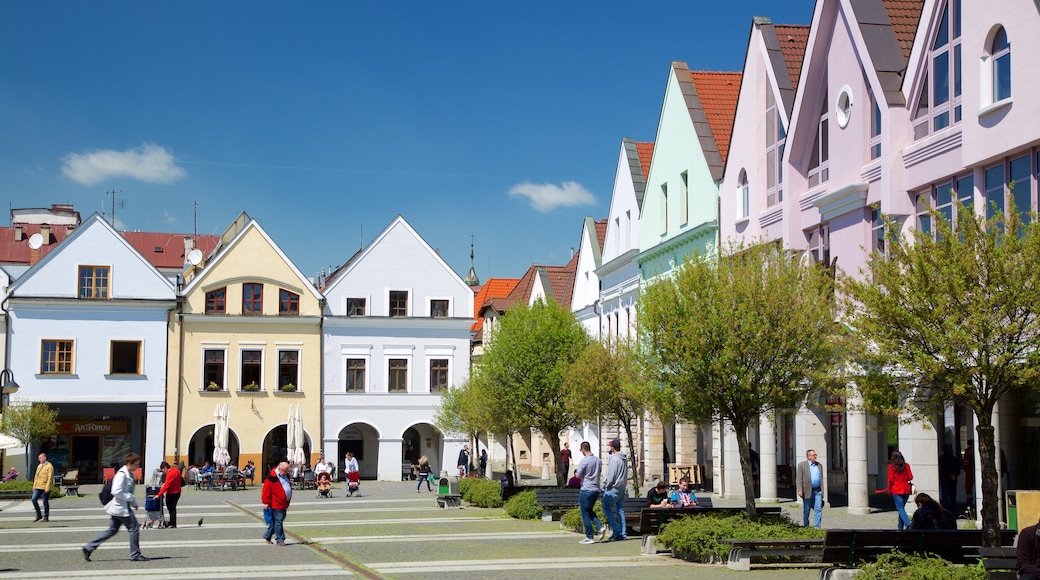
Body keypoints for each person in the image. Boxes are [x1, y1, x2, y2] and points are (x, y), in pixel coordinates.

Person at [82, 452, 149, 562]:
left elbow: (128, 491)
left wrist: (133, 502)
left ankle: (89, 547)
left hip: (121, 507)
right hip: (120, 507)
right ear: (129, 463)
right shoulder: (122, 474)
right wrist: (131, 499)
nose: (137, 467)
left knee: (112, 530)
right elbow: (116, 491)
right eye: (136, 464)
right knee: (134, 528)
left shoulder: (129, 474)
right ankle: (135, 554)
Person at [876, 449, 914, 530]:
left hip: (896, 489)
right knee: (902, 508)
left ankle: (908, 524)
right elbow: (910, 477)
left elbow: (890, 480)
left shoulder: (891, 467)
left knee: (900, 508)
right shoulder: (906, 465)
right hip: (906, 489)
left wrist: (889, 490)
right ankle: (900, 528)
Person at [575, 441, 604, 544]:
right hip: (596, 489)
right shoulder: (598, 460)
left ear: (583, 449)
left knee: (585, 513)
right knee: (589, 510)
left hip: (586, 489)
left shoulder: (584, 461)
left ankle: (589, 536)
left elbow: (578, 475)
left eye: (581, 450)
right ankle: (600, 527)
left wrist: (576, 473)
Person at [601, 439, 628, 541]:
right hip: (622, 488)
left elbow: (611, 475)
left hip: (614, 488)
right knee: (620, 510)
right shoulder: (624, 458)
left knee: (606, 507)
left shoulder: (614, 459)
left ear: (613, 447)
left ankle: (616, 531)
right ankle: (623, 533)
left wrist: (605, 485)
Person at [261, 461, 293, 546]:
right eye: (285, 471)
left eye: (287, 471)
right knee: (279, 521)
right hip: (276, 503)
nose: (286, 473)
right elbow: (266, 490)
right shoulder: (271, 477)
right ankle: (280, 539)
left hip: (284, 503)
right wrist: (266, 502)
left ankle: (267, 535)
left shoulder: (286, 476)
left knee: (276, 521)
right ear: (279, 469)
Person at [796, 449, 824, 528]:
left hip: (818, 490)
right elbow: (799, 479)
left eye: (816, 455)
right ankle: (806, 525)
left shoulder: (819, 465)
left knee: (818, 508)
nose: (815, 456)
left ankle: (817, 527)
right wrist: (800, 489)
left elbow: (821, 479)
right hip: (807, 490)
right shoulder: (802, 465)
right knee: (806, 510)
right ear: (809, 457)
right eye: (814, 455)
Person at [154, 461, 182, 528]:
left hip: (172, 492)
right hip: (177, 491)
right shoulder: (175, 470)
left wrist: (159, 494)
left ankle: (173, 524)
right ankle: (172, 522)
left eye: (163, 470)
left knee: (171, 508)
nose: (164, 472)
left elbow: (166, 485)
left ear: (165, 468)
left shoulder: (170, 474)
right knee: (171, 507)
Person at [31, 452, 53, 523]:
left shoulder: (49, 466)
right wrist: (34, 486)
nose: (39, 459)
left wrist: (47, 487)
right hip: (38, 486)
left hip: (45, 486)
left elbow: (50, 477)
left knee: (45, 502)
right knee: (34, 499)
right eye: (38, 458)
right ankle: (38, 514)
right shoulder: (39, 466)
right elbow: (36, 476)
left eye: (40, 458)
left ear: (44, 458)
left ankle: (46, 517)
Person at [938, 445, 960, 511]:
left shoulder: (941, 459)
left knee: (945, 496)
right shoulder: (953, 458)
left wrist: (949, 475)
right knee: (952, 495)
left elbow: (942, 470)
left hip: (945, 479)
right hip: (953, 479)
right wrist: (955, 475)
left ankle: (945, 510)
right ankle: (953, 509)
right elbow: (957, 468)